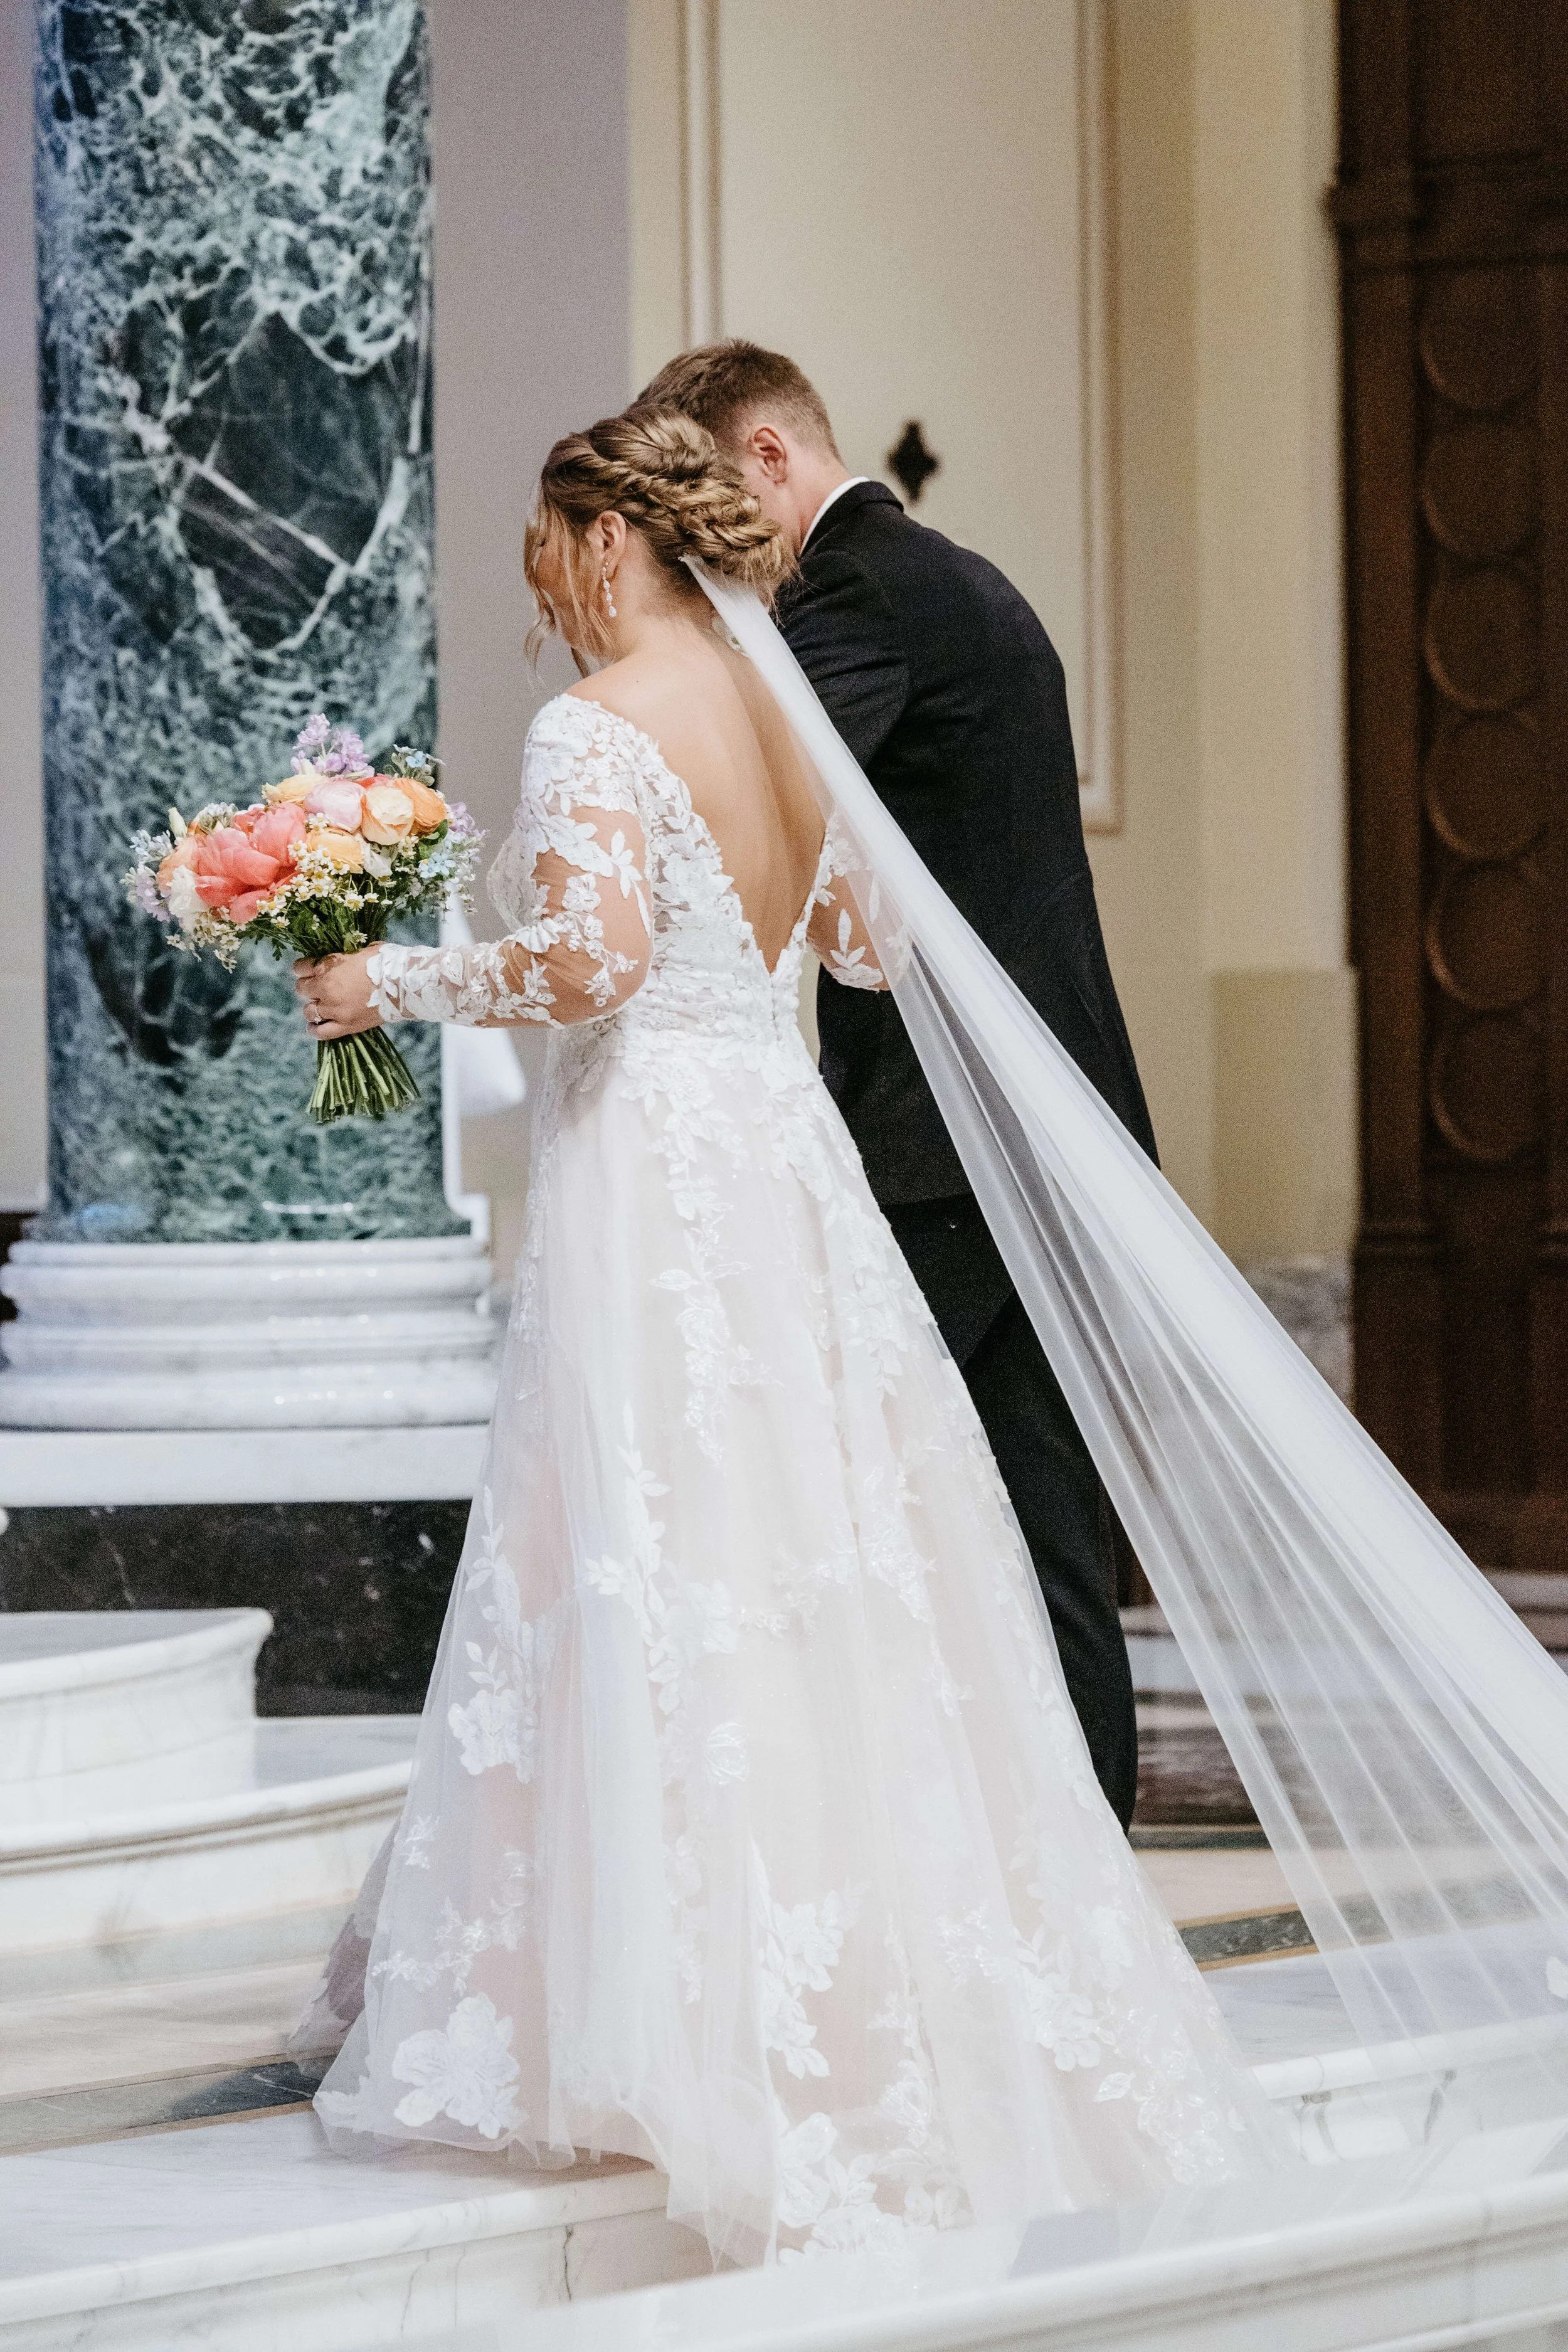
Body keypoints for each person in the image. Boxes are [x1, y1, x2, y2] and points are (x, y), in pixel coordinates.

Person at [289, 410, 1270, 2264]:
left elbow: (581, 968)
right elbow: (865, 944)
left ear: (600, 542)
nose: (545, 593)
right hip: (779, 1160)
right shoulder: (779, 717)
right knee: (821, 1561)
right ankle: (864, 1986)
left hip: (651, 1166)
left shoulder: (598, 724)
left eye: (546, 550)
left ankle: (664, 2017)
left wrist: (387, 978)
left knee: (652, 1548)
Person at [631, 342, 1146, 1827]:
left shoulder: (855, 588)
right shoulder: (964, 579)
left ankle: (967, 1853)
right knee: (1030, 1515)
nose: (703, 559)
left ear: (772, 461)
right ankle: (1070, 1851)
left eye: (707, 512)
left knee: (885, 1497)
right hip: (1036, 1113)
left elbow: (758, 804)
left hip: (946, 1137)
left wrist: (621, 727)